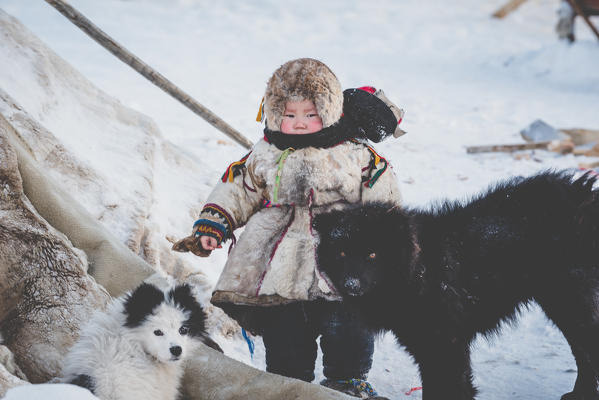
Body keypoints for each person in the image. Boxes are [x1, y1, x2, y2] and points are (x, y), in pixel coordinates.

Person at [173, 58, 404, 399]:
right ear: (272, 112)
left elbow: (385, 198)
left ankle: (347, 380)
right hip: (278, 264)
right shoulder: (264, 154)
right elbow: (239, 188)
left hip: (342, 259)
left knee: (349, 322)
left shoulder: (356, 155)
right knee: (286, 331)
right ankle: (288, 384)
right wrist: (215, 223)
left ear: (330, 112)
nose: (297, 124)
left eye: (309, 115)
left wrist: (387, 239)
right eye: (289, 115)